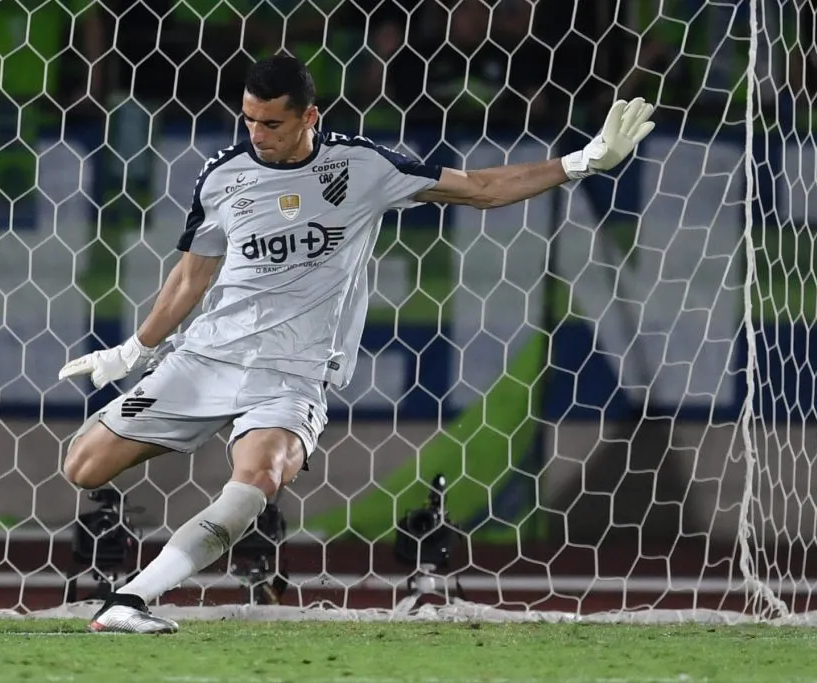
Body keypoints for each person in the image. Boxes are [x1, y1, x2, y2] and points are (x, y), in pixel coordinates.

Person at [57, 54, 655, 634]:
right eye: (248, 119)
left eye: (272, 123)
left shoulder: (360, 167)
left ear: (308, 118)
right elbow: (193, 274)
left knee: (255, 482)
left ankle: (129, 599)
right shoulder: (223, 175)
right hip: (206, 358)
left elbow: (479, 187)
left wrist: (581, 162)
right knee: (83, 466)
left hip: (292, 374)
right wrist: (132, 352)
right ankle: (188, 448)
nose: (257, 133)